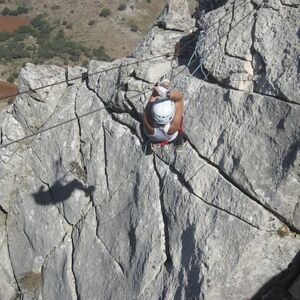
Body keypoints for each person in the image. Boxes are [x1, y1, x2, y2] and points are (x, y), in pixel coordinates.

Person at [143, 79, 186, 151]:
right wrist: (165, 94)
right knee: (180, 119)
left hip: (154, 136)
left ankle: (153, 143)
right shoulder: (174, 126)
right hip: (170, 137)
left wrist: (154, 95)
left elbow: (147, 108)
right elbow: (179, 98)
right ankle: (179, 143)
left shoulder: (149, 126)